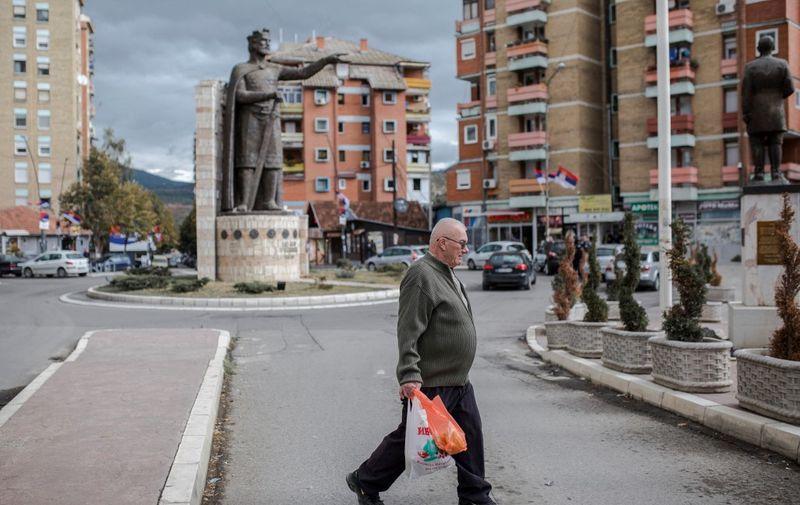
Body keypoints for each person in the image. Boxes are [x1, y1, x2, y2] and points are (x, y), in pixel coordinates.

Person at [347, 218, 495, 505]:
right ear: (442, 243)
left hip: (458, 381)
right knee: (410, 441)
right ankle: (364, 481)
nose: (466, 249)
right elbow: (408, 329)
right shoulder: (421, 274)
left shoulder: (448, 272)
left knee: (470, 438)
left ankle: (475, 496)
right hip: (431, 381)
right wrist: (409, 374)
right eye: (461, 243)